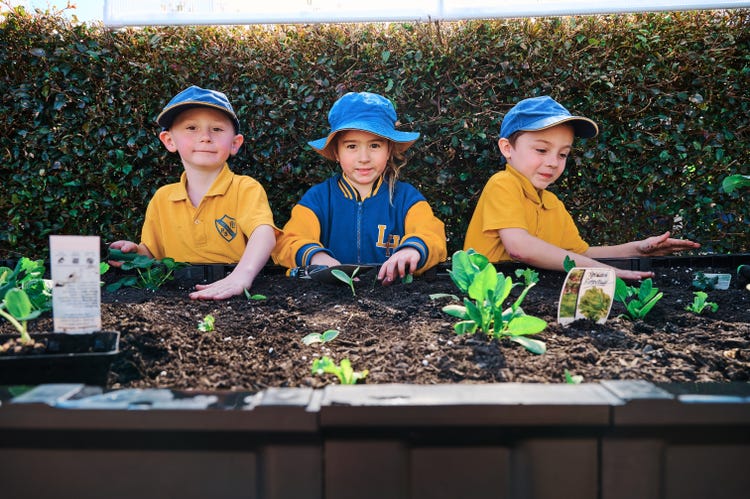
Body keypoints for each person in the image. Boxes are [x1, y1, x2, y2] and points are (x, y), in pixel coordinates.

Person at [463, 95, 700, 281]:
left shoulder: (552, 204)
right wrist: (601, 271)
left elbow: (581, 254)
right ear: (507, 148)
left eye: (563, 153)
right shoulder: (503, 184)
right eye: (542, 150)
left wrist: (637, 250)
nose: (553, 162)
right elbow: (520, 248)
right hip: (488, 299)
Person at [109, 85, 278, 300]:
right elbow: (153, 254)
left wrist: (241, 277)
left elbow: (264, 234)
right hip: (175, 297)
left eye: (217, 129)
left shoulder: (245, 188)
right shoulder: (163, 198)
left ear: (235, 144)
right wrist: (135, 254)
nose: (205, 137)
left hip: (234, 293)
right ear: (169, 141)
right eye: (191, 128)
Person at [272, 91, 447, 284]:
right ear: (336, 152)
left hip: (391, 297)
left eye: (374, 146)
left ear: (388, 150)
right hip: (328, 299)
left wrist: (412, 250)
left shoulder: (406, 198)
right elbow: (287, 241)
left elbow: (433, 235)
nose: (364, 158)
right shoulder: (318, 199)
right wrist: (315, 257)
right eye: (351, 147)